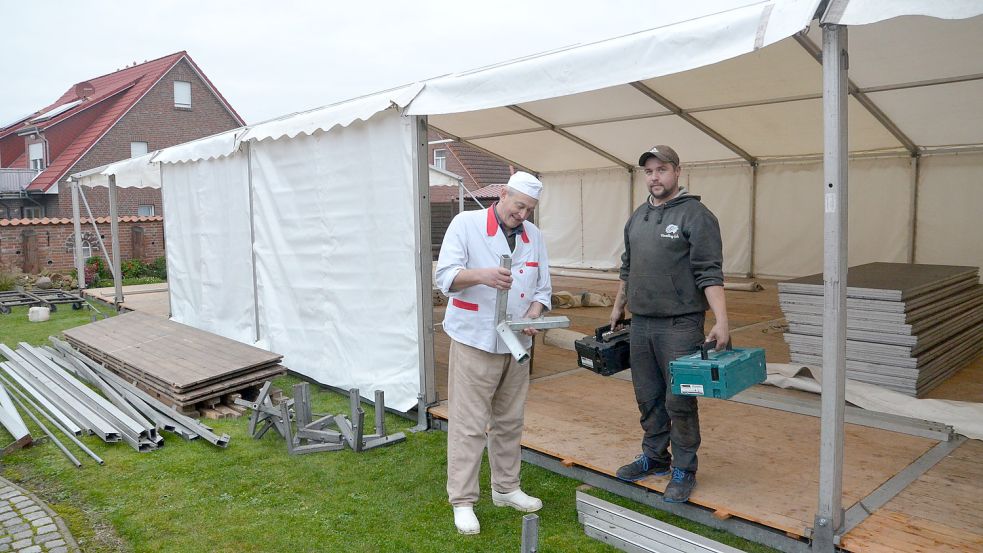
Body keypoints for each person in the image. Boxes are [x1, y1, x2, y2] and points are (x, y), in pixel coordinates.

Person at [608, 145, 729, 503]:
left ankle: (684, 469)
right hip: (641, 324)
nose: (654, 177)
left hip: (680, 325)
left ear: (677, 171)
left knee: (680, 400)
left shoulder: (697, 215)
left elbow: (710, 272)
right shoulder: (638, 216)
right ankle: (656, 458)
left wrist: (722, 320)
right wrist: (618, 307)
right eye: (648, 171)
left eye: (661, 170)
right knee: (648, 397)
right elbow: (627, 268)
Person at [434, 171, 553, 535]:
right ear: (502, 195)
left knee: (510, 420)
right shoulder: (465, 224)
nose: (523, 215)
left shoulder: (535, 237)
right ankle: (463, 500)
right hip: (476, 338)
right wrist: (482, 275)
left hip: (517, 342)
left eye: (529, 210)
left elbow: (543, 290)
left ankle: (506, 488)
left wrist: (534, 315)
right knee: (469, 424)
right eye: (519, 206)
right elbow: (445, 278)